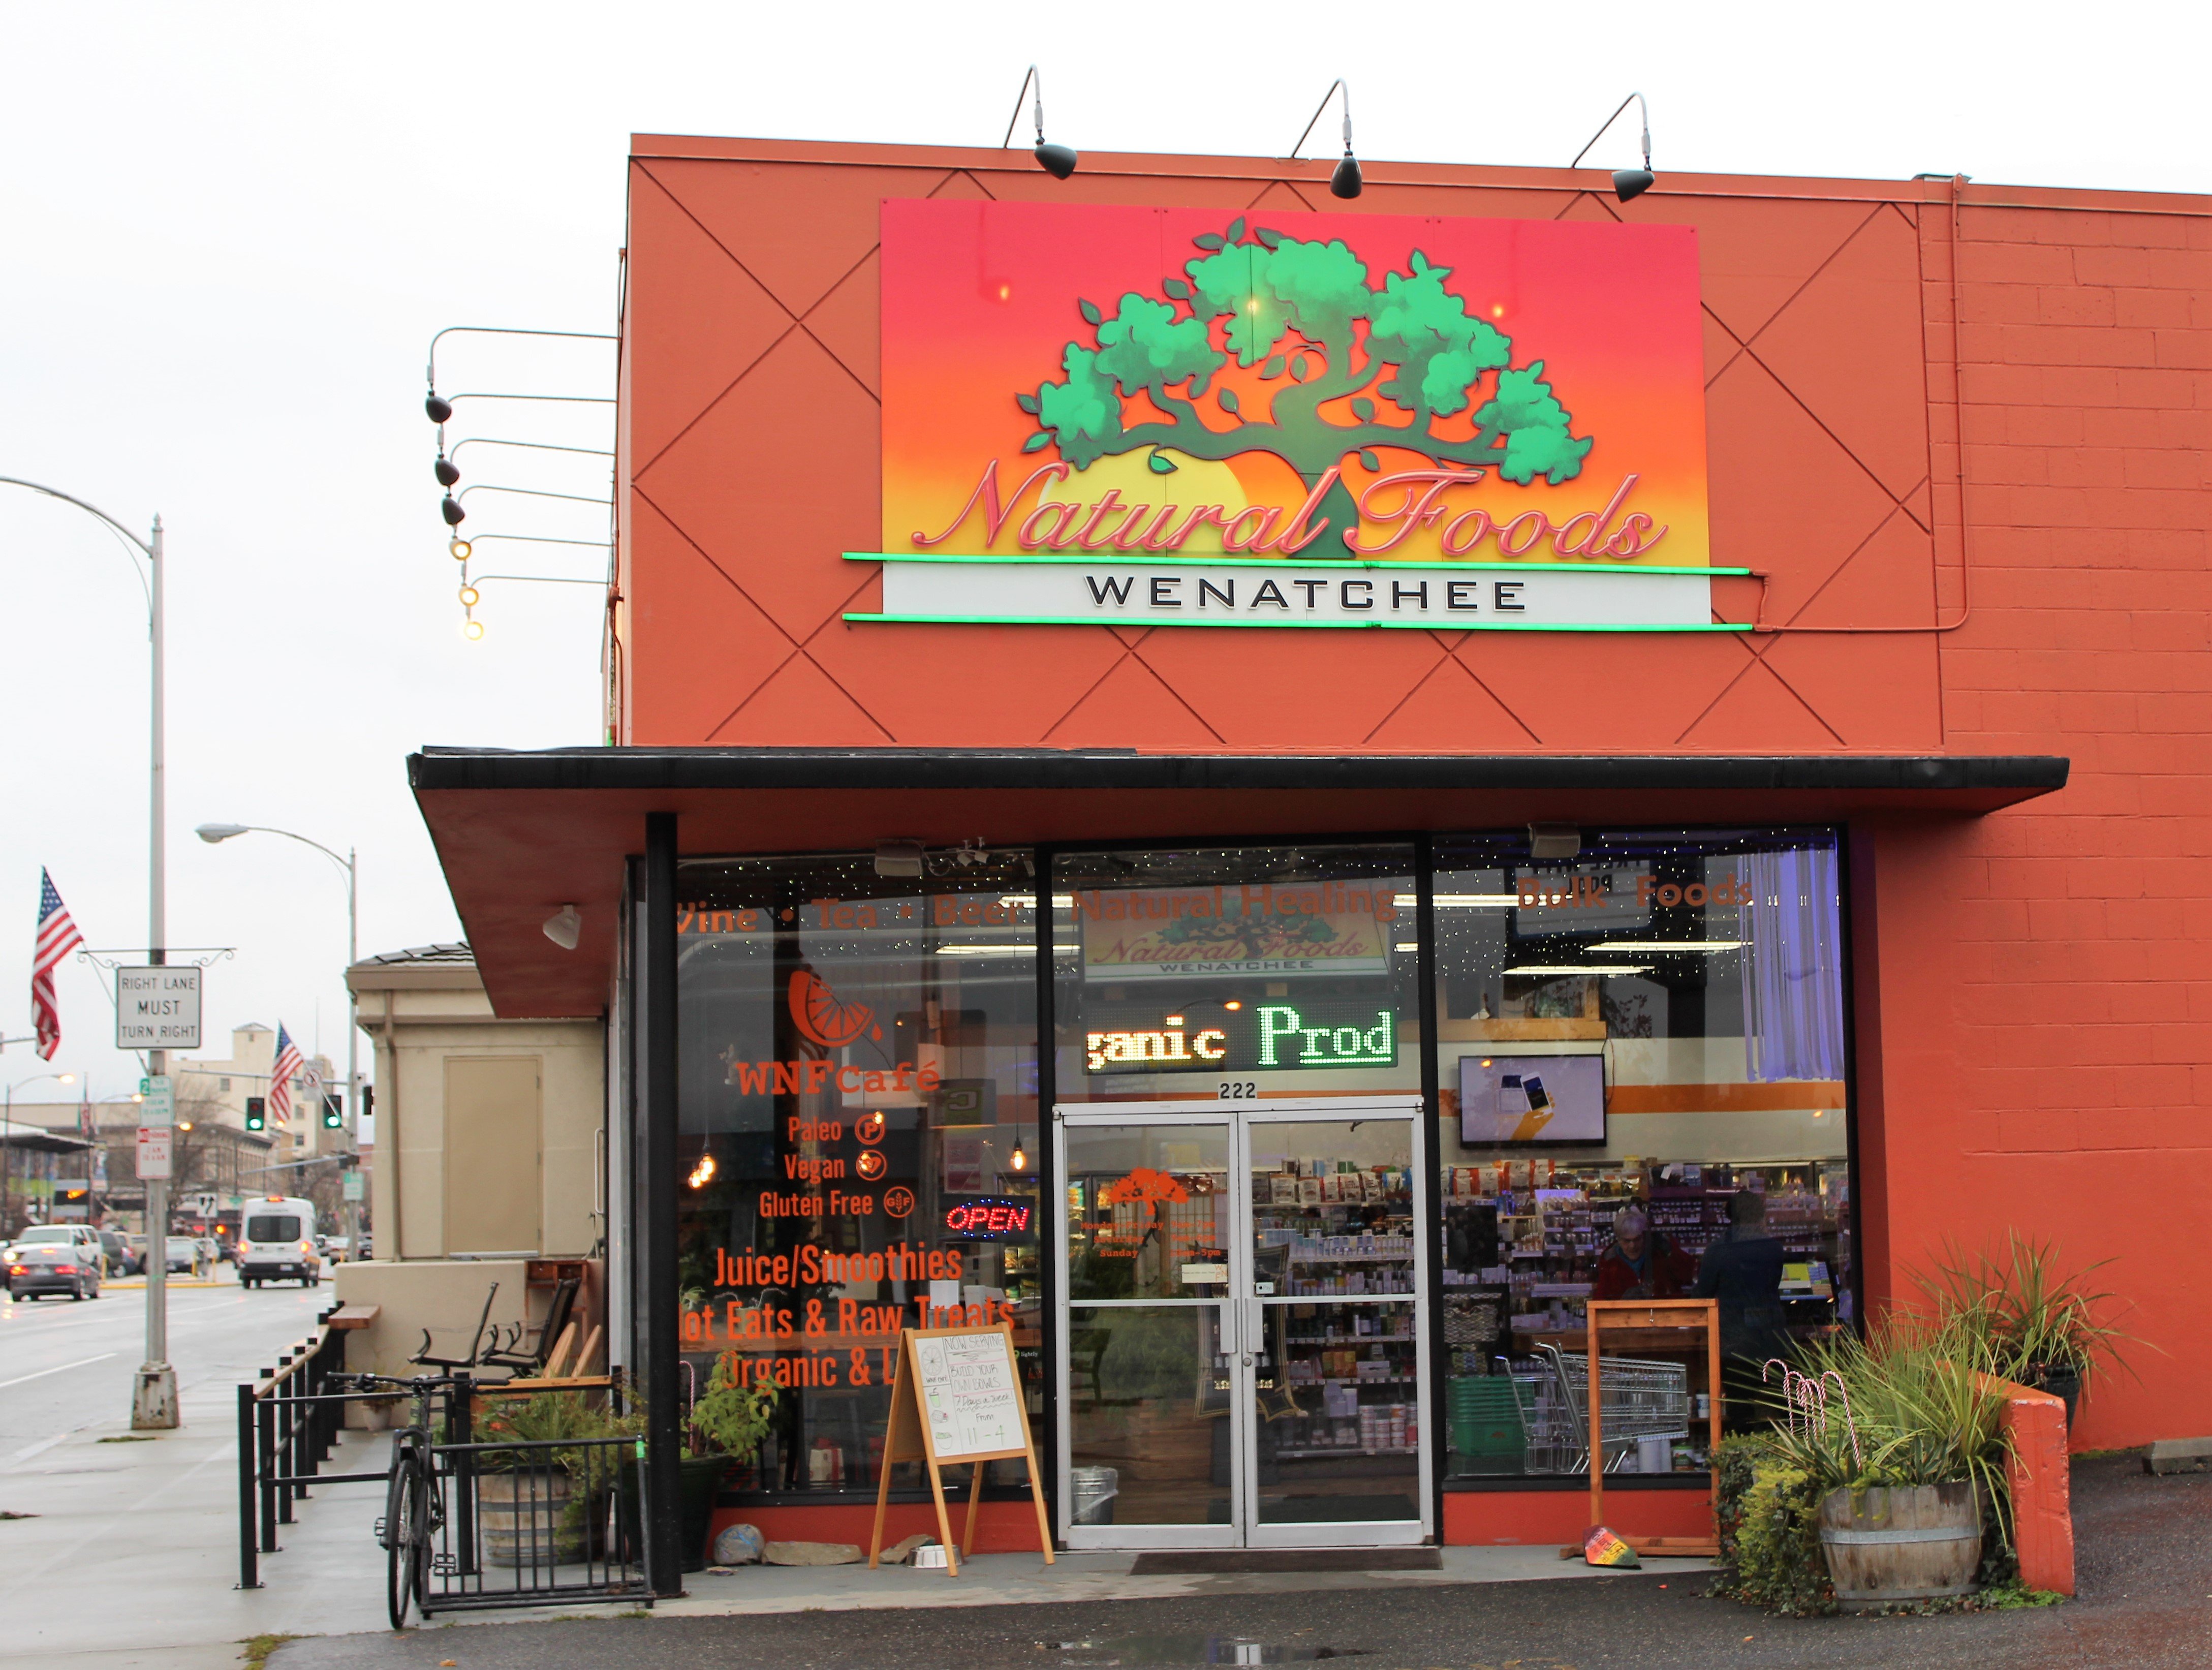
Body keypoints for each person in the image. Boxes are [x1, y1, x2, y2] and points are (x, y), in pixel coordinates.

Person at [1692, 1187, 1791, 1424]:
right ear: (1760, 1215)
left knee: (1739, 1412)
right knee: (1786, 1409)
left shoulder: (1718, 1252)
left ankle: (1740, 1444)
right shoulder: (1774, 1250)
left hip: (1734, 1342)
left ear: (1730, 1217)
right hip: (1772, 1339)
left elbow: (1702, 1295)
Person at [1590, 1205, 1694, 1301]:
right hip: (1626, 1314)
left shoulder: (1661, 1253)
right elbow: (1600, 1301)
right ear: (1618, 1240)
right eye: (1627, 1241)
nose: (1633, 1246)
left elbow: (1689, 1277)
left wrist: (1671, 1253)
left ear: (1644, 1236)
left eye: (1637, 1239)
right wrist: (1622, 1302)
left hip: (1663, 1313)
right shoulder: (1610, 1261)